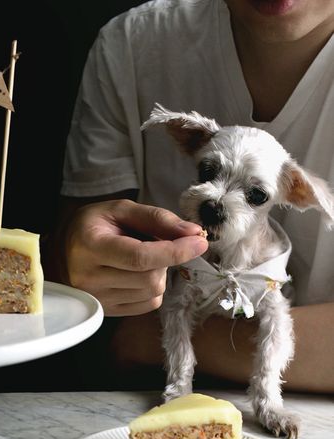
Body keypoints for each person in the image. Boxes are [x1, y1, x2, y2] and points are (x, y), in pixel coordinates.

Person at [42, 0, 334, 393]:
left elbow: (126, 336)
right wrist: (73, 259)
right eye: (209, 172)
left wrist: (144, 338)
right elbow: (72, 281)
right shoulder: (134, 44)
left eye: (255, 195)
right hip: (132, 399)